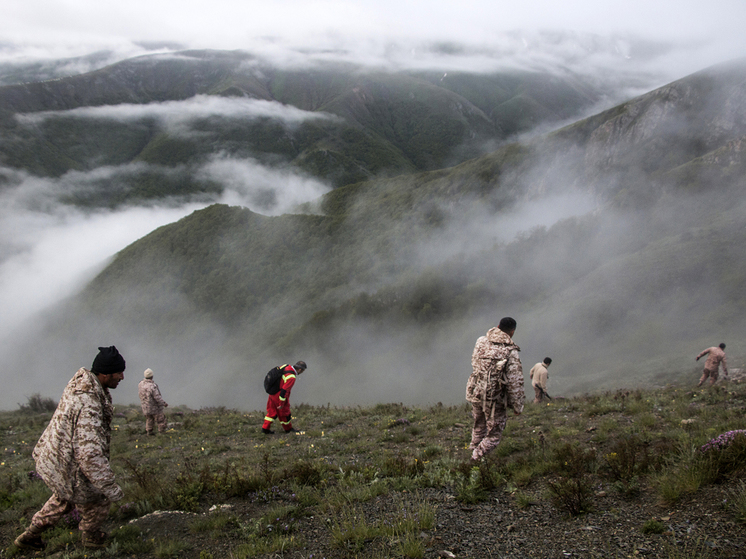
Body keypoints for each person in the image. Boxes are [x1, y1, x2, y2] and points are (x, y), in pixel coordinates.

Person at [14, 346, 126, 552]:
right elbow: (89, 454)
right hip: (70, 464)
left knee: (63, 498)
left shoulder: (81, 385)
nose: (122, 377)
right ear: (105, 373)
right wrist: (110, 488)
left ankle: (30, 536)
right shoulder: (89, 403)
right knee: (97, 497)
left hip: (57, 459)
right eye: (118, 372)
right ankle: (92, 538)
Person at [465, 317, 524, 461]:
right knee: (494, 434)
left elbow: (474, 362)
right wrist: (517, 405)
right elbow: (515, 381)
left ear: (498, 326)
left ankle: (473, 448)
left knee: (479, 424)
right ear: (512, 331)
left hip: (476, 391)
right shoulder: (510, 350)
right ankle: (475, 459)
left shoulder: (481, 341)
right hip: (494, 397)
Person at [262, 361, 307, 434]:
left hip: (272, 392)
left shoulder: (286, 366)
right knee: (284, 413)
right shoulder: (291, 377)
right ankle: (288, 429)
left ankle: (265, 429)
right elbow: (284, 391)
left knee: (271, 411)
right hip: (279, 395)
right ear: (300, 370)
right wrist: (281, 403)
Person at [138, 368, 169, 435]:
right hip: (154, 407)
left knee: (149, 419)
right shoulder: (152, 386)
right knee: (160, 420)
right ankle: (161, 433)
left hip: (145, 407)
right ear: (152, 376)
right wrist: (163, 403)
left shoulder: (140, 384)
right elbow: (157, 397)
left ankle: (149, 432)